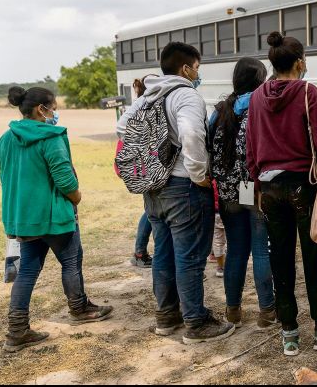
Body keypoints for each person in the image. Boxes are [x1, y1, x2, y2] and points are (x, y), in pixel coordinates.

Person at [117, 42, 235, 344]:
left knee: (164, 254)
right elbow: (192, 133)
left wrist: (152, 156)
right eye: (197, 68)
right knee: (190, 257)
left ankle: (167, 316)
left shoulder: (148, 95)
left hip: (154, 187)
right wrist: (198, 175)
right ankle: (196, 322)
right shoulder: (186, 94)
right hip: (183, 186)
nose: (198, 74)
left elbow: (122, 127)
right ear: (186, 68)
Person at [247, 32, 317, 356]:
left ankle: (289, 332)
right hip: (304, 185)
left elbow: (251, 147)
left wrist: (255, 186)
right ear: (300, 62)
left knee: (280, 258)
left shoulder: (257, 96)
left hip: (269, 187)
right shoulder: (309, 92)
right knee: (315, 258)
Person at [0, 86, 113, 352]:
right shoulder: (52, 136)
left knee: (27, 270)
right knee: (71, 262)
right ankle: (80, 308)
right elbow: (64, 178)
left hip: (25, 217)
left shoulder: (5, 139)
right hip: (55, 217)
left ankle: (17, 330)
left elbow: (6, 178)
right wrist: (76, 197)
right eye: (54, 107)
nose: (55, 112)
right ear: (42, 109)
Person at [209, 57, 277, 330]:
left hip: (226, 192)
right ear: (260, 80)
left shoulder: (220, 109)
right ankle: (266, 312)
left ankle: (233, 310)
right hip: (253, 189)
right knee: (261, 250)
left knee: (236, 250)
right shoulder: (262, 107)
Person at [125, 74, 158, 269]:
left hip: (144, 169)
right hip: (149, 169)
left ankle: (139, 251)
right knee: (150, 212)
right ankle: (139, 252)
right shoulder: (146, 107)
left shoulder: (140, 105)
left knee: (149, 211)